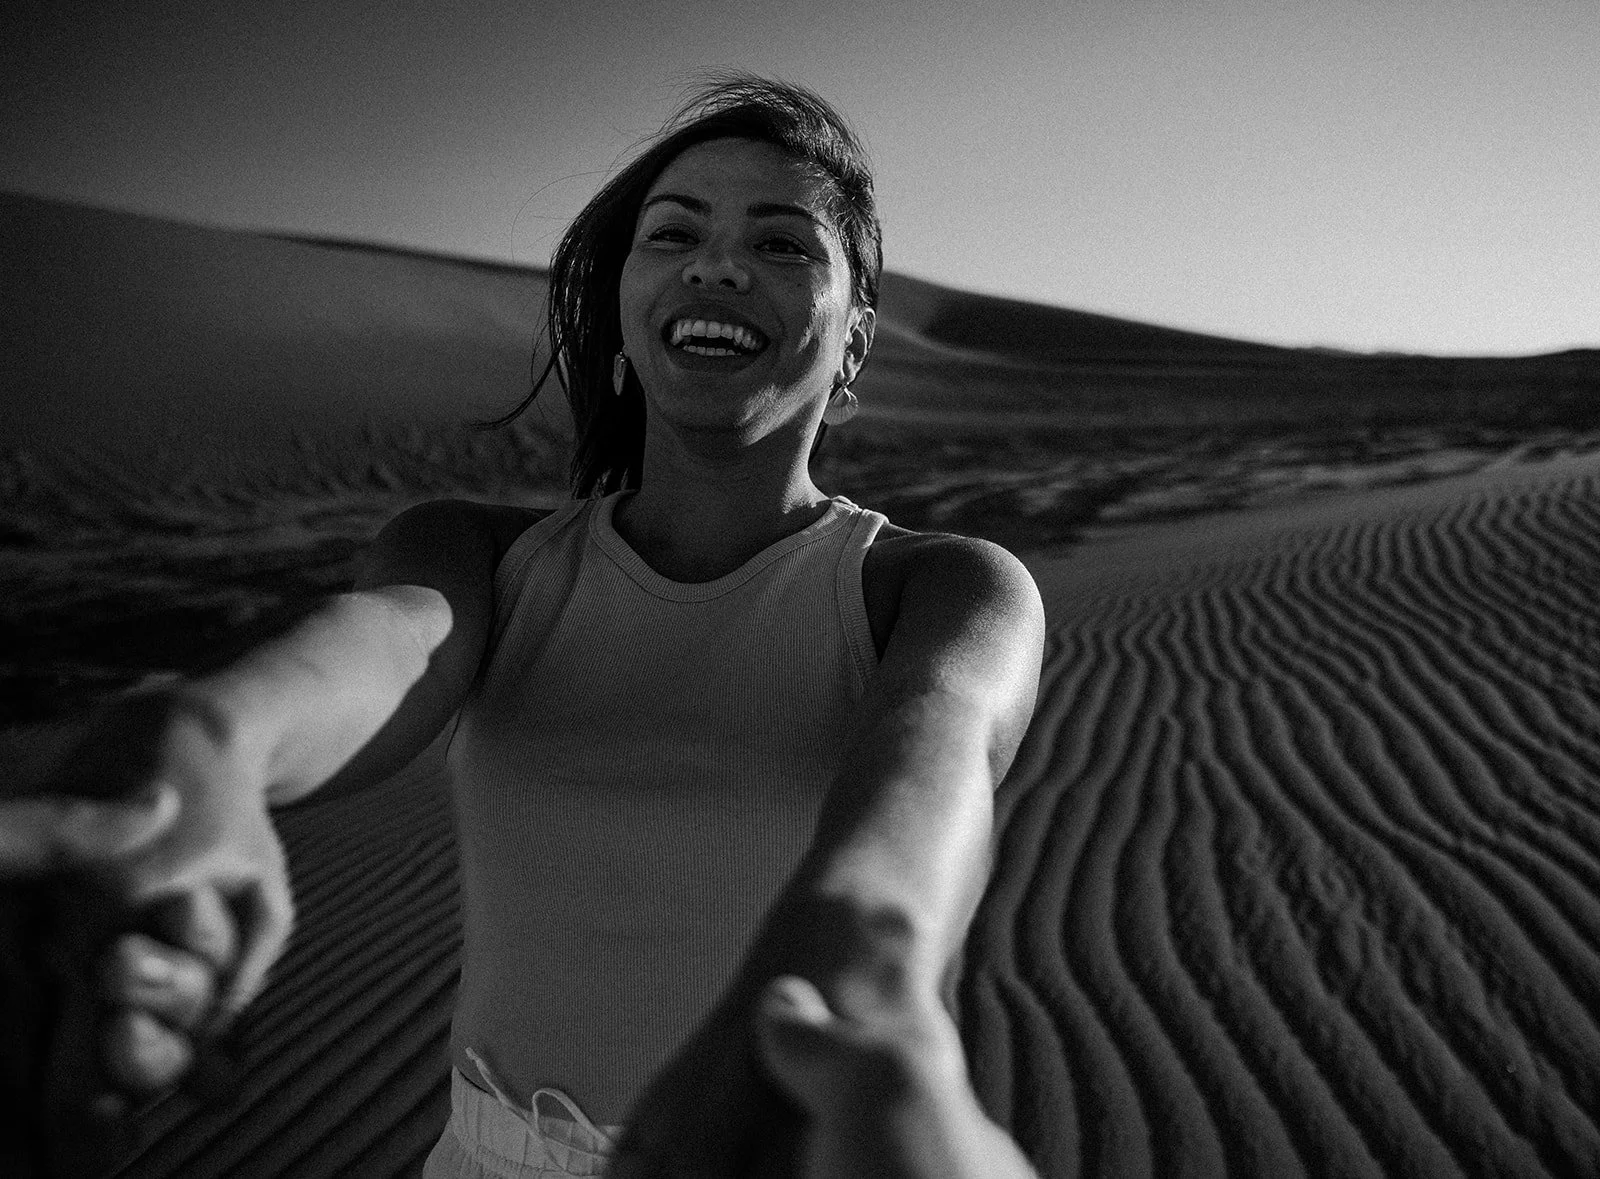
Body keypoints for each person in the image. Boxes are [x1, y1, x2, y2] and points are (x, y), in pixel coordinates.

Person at [42, 74, 1045, 1177]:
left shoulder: (944, 589)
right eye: (674, 234)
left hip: (811, 1138)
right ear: (622, 303)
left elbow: (928, 773)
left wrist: (859, 988)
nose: (717, 264)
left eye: (783, 243)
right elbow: (381, 649)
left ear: (855, 335)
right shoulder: (477, 556)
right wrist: (207, 740)